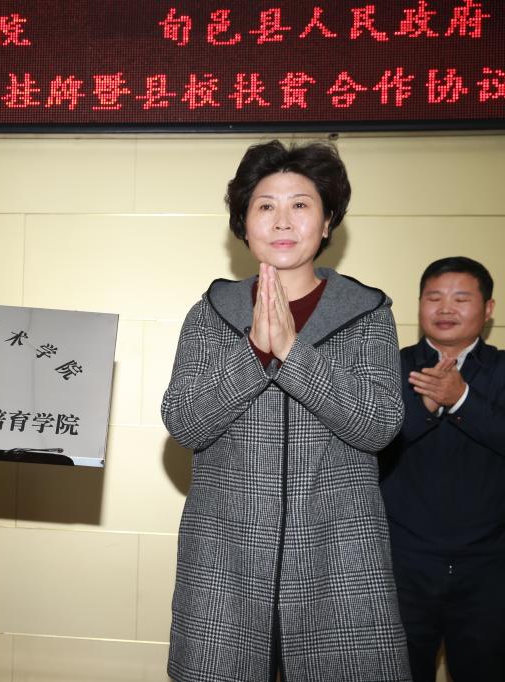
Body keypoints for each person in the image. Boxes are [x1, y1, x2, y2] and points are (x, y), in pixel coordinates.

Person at [161, 140, 411, 681]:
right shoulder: (211, 313)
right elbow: (184, 421)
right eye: (265, 205)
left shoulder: (367, 312)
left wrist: (293, 352)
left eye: (300, 204)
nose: (282, 221)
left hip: (338, 556)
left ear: (327, 222)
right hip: (226, 558)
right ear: (244, 224)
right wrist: (255, 352)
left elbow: (379, 425)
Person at [380, 257, 504, 682]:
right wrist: (425, 409)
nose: (445, 308)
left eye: (461, 298)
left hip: (490, 567)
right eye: (433, 297)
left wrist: (463, 399)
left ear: (488, 309)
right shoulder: (389, 368)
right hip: (401, 564)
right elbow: (368, 451)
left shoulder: (502, 371)